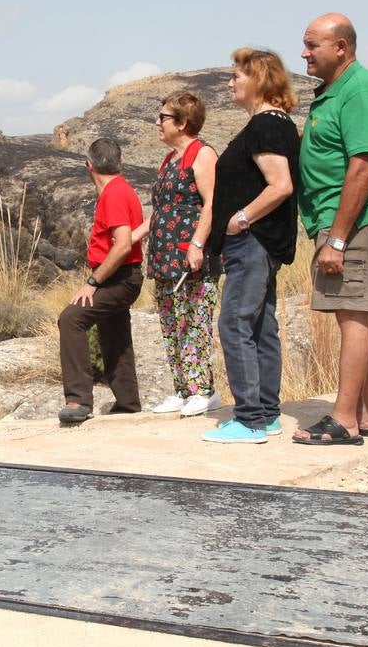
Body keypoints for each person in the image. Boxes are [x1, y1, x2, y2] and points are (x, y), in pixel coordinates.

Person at [292, 13, 368, 446]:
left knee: (352, 314)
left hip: (347, 222)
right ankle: (367, 414)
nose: (304, 53)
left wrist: (336, 237)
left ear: (342, 47)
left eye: (313, 45)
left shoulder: (361, 89)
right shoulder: (335, 91)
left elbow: (362, 167)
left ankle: (345, 418)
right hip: (335, 220)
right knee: (358, 314)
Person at [202, 49, 301, 443]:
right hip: (259, 242)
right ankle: (266, 413)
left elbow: (280, 185)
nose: (230, 82)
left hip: (253, 242)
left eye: (236, 76)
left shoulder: (265, 125)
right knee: (261, 325)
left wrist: (241, 219)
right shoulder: (271, 124)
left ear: (258, 79)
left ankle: (250, 418)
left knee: (235, 322)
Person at [132, 92, 221, 418]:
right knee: (171, 324)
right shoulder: (169, 159)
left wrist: (197, 244)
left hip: (190, 256)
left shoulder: (202, 154)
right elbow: (161, 211)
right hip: (164, 258)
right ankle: (183, 389)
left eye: (164, 117)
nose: (158, 122)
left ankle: (204, 391)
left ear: (182, 123)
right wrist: (134, 236)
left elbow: (212, 203)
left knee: (194, 322)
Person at [56, 138, 145, 425]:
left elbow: (120, 246)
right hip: (121, 275)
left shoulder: (114, 194)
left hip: (119, 278)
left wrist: (93, 282)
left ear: (89, 166)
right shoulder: (121, 190)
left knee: (71, 319)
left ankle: (78, 400)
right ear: (119, 162)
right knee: (114, 333)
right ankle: (128, 402)